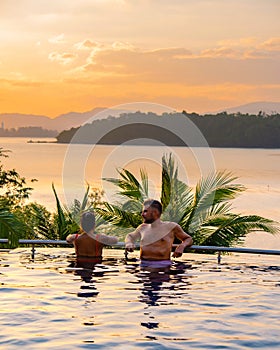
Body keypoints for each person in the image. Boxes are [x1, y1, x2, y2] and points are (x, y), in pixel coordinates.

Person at [125, 199, 193, 268]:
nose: (142, 214)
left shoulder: (171, 227)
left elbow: (188, 239)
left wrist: (181, 246)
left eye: (145, 211)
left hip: (163, 267)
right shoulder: (142, 227)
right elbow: (130, 236)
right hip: (143, 266)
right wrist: (129, 243)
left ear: (155, 212)